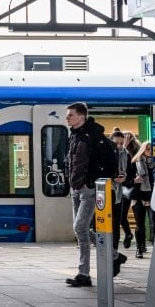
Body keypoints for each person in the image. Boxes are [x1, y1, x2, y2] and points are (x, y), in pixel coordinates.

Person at [64, 102, 119, 287]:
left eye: (70, 115)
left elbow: (109, 163)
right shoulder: (74, 136)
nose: (67, 118)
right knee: (81, 230)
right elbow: (70, 160)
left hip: (88, 189)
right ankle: (115, 256)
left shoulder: (94, 136)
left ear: (81, 116)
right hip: (75, 188)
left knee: (80, 228)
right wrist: (69, 179)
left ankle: (84, 273)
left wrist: (91, 181)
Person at [130, 140, 155, 259]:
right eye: (148, 149)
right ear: (143, 149)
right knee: (140, 224)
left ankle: (154, 245)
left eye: (152, 149)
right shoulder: (136, 161)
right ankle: (139, 247)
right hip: (139, 195)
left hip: (152, 195)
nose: (150, 151)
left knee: (153, 222)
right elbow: (129, 178)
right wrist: (134, 180)